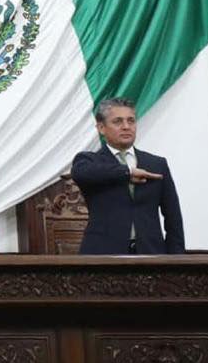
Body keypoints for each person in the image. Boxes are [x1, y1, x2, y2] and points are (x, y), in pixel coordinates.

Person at [71, 97, 184, 255]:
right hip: (102, 256)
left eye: (131, 121)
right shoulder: (89, 161)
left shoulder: (156, 164)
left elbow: (173, 219)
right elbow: (80, 173)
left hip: (151, 254)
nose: (126, 127)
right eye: (118, 121)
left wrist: (176, 260)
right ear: (101, 128)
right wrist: (128, 172)